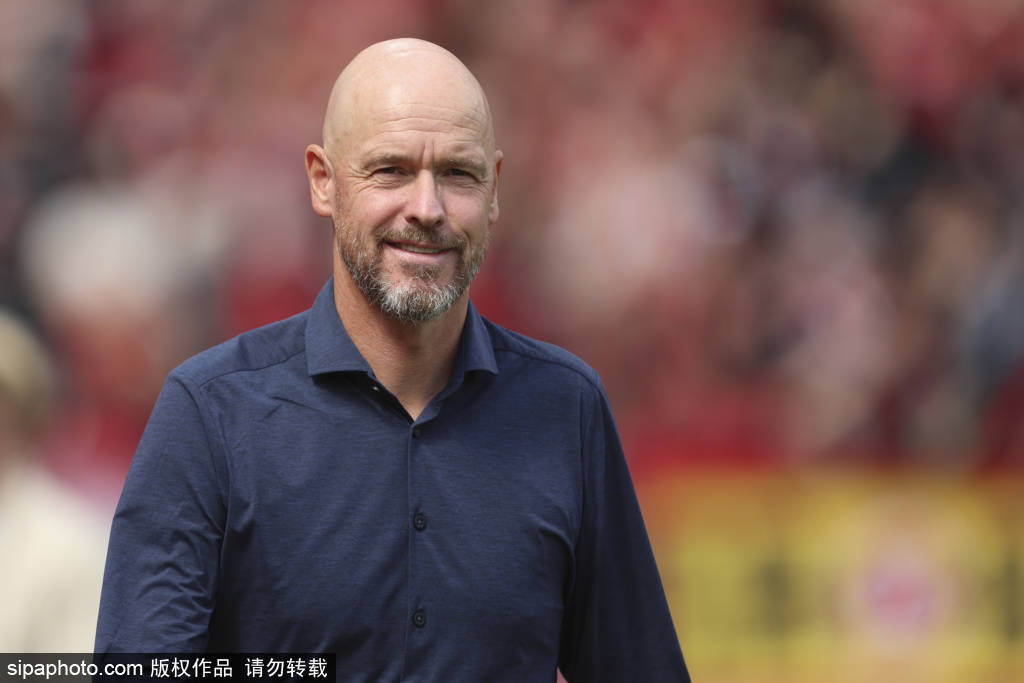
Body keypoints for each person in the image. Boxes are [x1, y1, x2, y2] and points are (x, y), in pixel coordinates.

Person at [95, 38, 689, 682]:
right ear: (323, 182)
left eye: (458, 174)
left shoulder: (566, 409)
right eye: (390, 171)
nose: (427, 209)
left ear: (494, 190)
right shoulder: (210, 414)